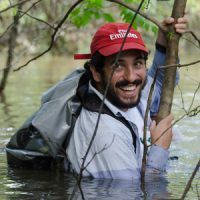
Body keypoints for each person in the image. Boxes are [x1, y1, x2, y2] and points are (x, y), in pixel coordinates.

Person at [66, 16, 188, 179]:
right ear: (96, 72)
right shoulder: (105, 135)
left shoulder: (125, 94)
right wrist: (160, 149)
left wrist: (164, 44)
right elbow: (139, 194)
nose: (131, 77)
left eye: (137, 63)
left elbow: (159, 82)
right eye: (117, 65)